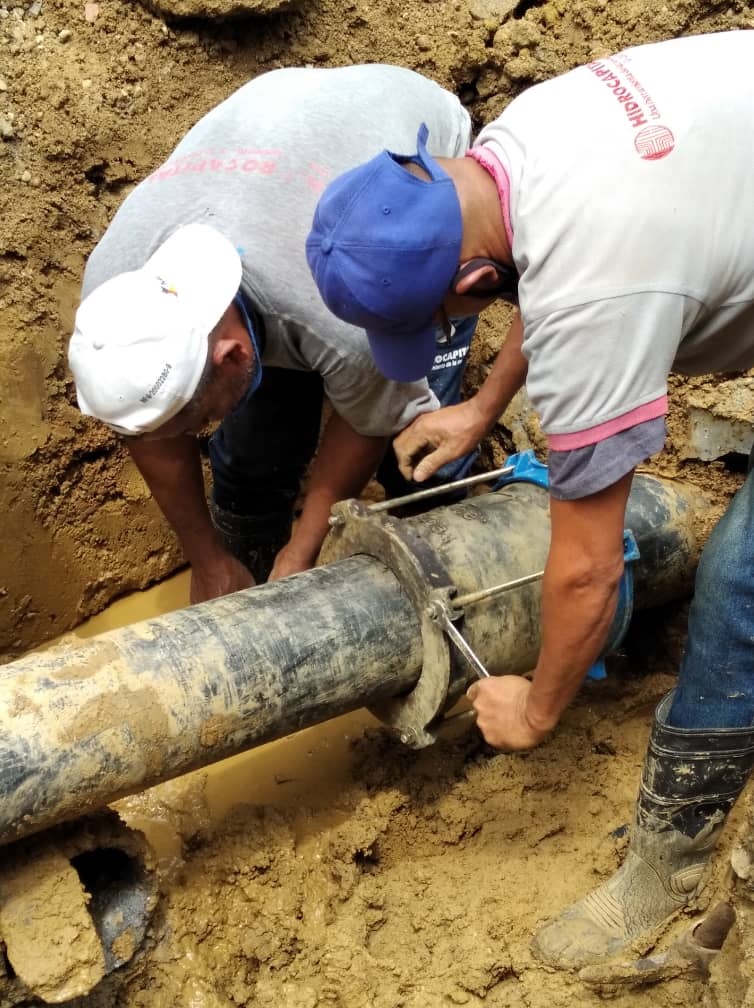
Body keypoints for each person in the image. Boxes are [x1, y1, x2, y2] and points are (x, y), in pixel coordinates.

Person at [306, 32, 754, 968]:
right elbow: (548, 276)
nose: (454, 324)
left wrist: (538, 708)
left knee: (740, 584)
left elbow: (588, 570)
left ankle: (668, 864)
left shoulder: (599, 284)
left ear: (469, 283)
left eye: (442, 320)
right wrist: (484, 404)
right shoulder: (519, 142)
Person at [68, 65, 475, 605]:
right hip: (276, 132)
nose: (196, 431)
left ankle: (461, 562)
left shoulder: (349, 315)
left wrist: (302, 551)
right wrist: (209, 558)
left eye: (197, 419)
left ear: (232, 354)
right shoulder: (114, 301)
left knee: (416, 454)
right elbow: (148, 430)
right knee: (249, 464)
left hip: (412, 164)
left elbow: (369, 419)